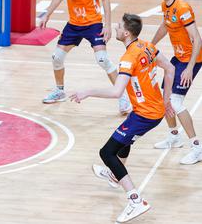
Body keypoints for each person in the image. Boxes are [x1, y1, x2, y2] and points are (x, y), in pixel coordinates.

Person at [68, 13, 176, 223]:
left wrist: (88, 91)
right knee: (124, 141)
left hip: (145, 114)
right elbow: (170, 69)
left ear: (126, 33)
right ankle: (114, 175)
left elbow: (117, 92)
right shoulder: (147, 46)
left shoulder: (128, 59)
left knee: (107, 153)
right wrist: (166, 100)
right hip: (150, 111)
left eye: (118, 27)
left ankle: (135, 200)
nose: (115, 29)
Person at [39, 0, 132, 115]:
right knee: (56, 57)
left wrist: (108, 25)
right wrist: (47, 14)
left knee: (103, 59)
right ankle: (59, 90)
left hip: (93, 23)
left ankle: (123, 98)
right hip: (73, 24)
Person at [150, 0, 202, 165]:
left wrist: (189, 68)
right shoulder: (166, 6)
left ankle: (197, 148)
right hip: (179, 58)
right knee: (164, 97)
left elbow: (197, 39)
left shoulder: (182, 8)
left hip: (191, 60)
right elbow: (165, 26)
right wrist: (151, 45)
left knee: (175, 101)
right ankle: (174, 136)